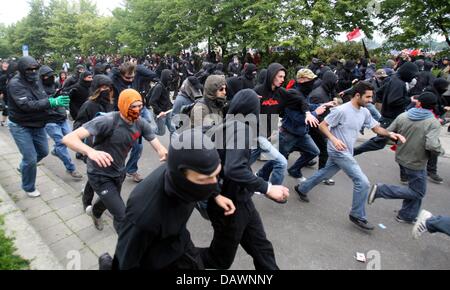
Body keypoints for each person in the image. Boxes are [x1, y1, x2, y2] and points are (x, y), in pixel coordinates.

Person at [110, 129, 235, 270]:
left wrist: (216, 195)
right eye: (204, 179)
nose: (213, 183)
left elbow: (209, 176)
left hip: (179, 239)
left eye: (216, 174)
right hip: (156, 259)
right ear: (182, 176)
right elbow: (125, 260)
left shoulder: (190, 175)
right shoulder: (144, 214)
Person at [295, 81, 406, 231]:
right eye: (368, 97)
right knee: (363, 182)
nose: (370, 100)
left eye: (371, 97)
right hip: (338, 150)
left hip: (347, 150)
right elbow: (322, 125)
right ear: (357, 95)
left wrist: (391, 133)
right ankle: (357, 215)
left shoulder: (365, 112)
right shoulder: (341, 110)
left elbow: (376, 128)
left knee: (325, 173)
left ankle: (302, 188)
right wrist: (334, 139)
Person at [201, 89, 289, 270]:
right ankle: (172, 257)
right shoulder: (242, 128)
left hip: (242, 200)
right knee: (219, 260)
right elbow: (234, 168)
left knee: (263, 250)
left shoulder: (227, 124)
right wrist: (267, 187)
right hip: (228, 206)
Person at [62, 89, 168, 233]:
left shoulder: (140, 123)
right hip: (99, 174)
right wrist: (90, 151)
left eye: (140, 106)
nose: (137, 110)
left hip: (118, 172)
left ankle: (95, 213)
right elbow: (68, 138)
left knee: (107, 202)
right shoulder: (107, 121)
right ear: (124, 105)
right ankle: (126, 250)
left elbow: (156, 143)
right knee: (122, 216)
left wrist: (163, 152)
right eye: (133, 107)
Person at [367, 92, 444, 224]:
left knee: (414, 188)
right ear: (433, 106)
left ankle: (406, 215)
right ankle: (381, 190)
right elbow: (432, 144)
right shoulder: (433, 123)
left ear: (418, 103)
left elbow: (389, 132)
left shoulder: (403, 116)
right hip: (417, 161)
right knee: (418, 192)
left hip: (401, 156)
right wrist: (440, 151)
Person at [8, 56, 70, 198]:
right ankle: (28, 187)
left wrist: (58, 102)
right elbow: (27, 105)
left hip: (37, 123)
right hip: (20, 125)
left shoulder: (36, 80)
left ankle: (24, 167)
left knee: (43, 151)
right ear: (22, 70)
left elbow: (43, 98)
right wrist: (52, 102)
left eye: (35, 68)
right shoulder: (15, 84)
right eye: (29, 69)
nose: (33, 71)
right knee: (30, 159)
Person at [73, 75, 115, 211]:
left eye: (108, 87)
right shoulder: (89, 105)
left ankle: (105, 201)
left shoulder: (110, 103)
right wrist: (90, 130)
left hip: (110, 146)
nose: (106, 90)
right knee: (96, 176)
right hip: (93, 147)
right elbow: (77, 126)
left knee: (106, 175)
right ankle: (87, 201)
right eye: (103, 87)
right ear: (96, 88)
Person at [39, 65, 83, 180]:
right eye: (47, 76)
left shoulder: (55, 84)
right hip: (49, 120)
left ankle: (56, 150)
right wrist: (52, 99)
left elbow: (61, 95)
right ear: (42, 77)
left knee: (70, 140)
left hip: (62, 117)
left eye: (52, 75)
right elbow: (38, 104)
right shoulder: (37, 88)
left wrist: (65, 96)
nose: (50, 78)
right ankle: (71, 169)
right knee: (62, 144)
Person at [147, 69, 176, 136]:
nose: (170, 78)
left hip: (168, 111)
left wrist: (171, 105)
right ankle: (146, 129)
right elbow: (152, 101)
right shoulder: (159, 87)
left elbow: (166, 98)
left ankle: (174, 144)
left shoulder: (166, 85)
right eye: (169, 76)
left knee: (172, 128)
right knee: (161, 132)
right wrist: (160, 111)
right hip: (160, 114)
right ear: (165, 77)